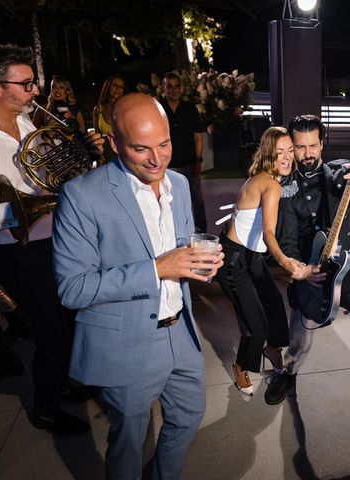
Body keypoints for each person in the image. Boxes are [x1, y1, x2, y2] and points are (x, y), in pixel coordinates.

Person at [52, 92, 224, 479]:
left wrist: (200, 265)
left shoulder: (179, 183)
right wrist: (157, 269)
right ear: (114, 143)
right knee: (129, 441)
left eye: (164, 144)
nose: (157, 158)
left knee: (190, 414)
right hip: (126, 339)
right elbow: (73, 288)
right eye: (141, 148)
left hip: (181, 332)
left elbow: (181, 253)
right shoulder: (81, 196)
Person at [264, 114, 350, 424]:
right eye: (300, 147)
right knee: (297, 347)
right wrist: (302, 271)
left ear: (322, 143)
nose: (308, 153)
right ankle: (288, 372)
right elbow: (287, 240)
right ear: (291, 147)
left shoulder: (339, 173)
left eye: (313, 145)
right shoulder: (284, 189)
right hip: (311, 279)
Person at [0, 43, 103, 436]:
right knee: (51, 329)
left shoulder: (28, 125)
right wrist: (21, 212)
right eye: (25, 84)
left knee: (71, 315)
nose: (35, 92)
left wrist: (83, 153)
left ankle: (60, 383)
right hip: (14, 249)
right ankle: (45, 407)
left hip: (52, 237)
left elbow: (59, 172)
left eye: (34, 83)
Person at [216, 126, 313, 396]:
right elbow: (269, 232)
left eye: (290, 150)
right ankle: (241, 365)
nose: (287, 157)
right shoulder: (269, 184)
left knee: (273, 304)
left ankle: (272, 348)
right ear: (269, 155)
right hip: (234, 261)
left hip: (250, 257)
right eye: (279, 152)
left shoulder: (269, 178)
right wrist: (285, 261)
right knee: (255, 325)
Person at [160, 72, 207, 233]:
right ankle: (173, 232)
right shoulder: (158, 109)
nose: (173, 90)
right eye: (169, 86)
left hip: (189, 164)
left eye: (176, 86)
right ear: (164, 88)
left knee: (196, 200)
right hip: (167, 166)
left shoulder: (190, 109)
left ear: (181, 88)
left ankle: (201, 231)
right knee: (168, 202)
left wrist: (198, 161)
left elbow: (198, 137)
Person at [93, 73, 126, 163]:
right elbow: (97, 135)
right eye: (114, 85)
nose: (118, 89)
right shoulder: (98, 108)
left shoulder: (126, 108)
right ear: (108, 87)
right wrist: (99, 155)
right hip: (105, 154)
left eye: (121, 87)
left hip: (123, 152)